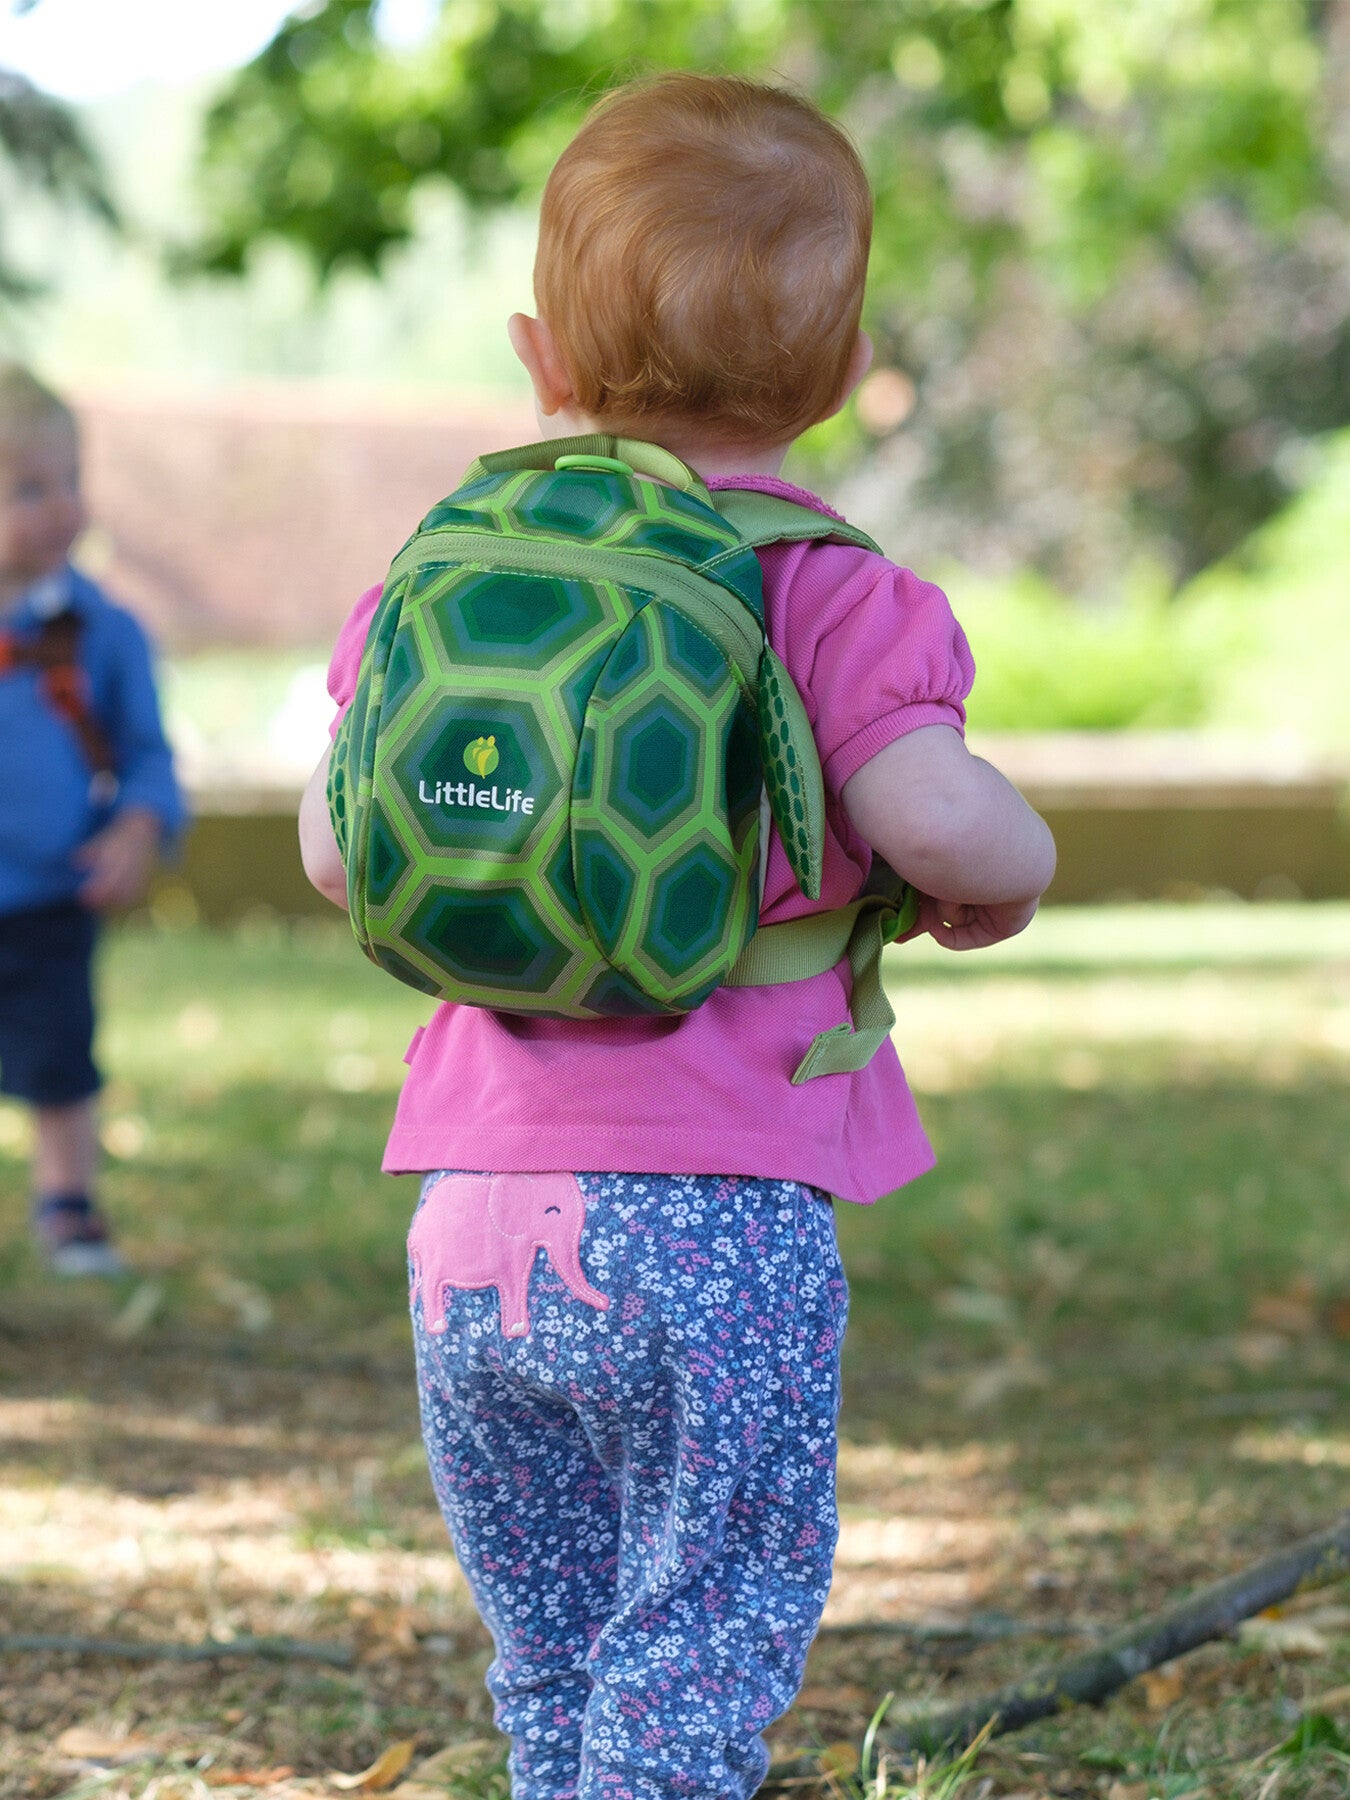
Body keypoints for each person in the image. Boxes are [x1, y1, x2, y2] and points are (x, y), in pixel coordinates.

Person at [300, 73, 1055, 1800]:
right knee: (697, 1636)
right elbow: (939, 817)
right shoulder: (839, 592)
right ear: (843, 373)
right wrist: (1009, 868)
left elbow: (340, 851)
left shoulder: (452, 567)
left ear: (536, 356)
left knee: (555, 1647)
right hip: (710, 1223)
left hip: (474, 1227)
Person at [0, 364, 184, 1277]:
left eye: (71, 480)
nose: (61, 506)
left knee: (60, 1053)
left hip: (47, 894)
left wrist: (139, 827)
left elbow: (149, 755)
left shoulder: (102, 632)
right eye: (29, 487)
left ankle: (67, 1204)